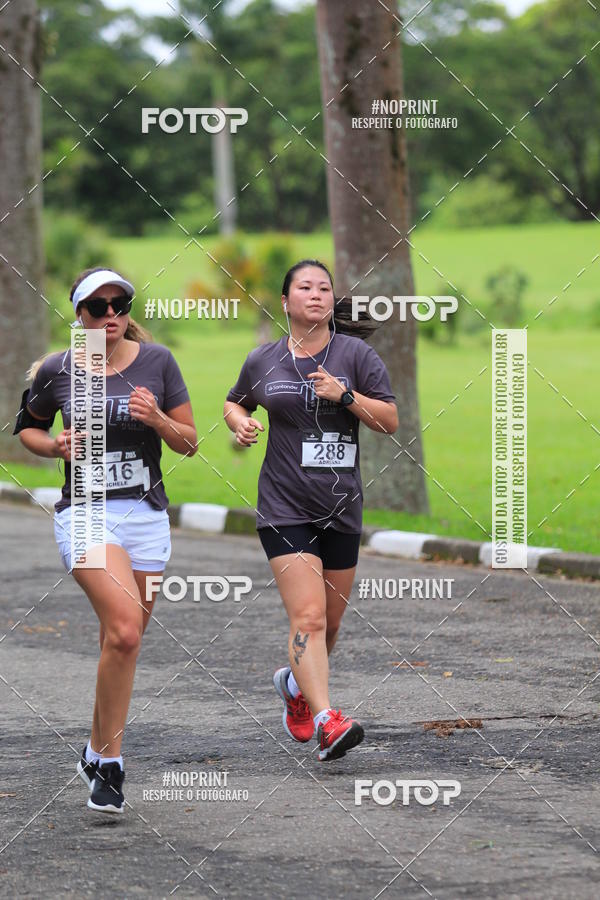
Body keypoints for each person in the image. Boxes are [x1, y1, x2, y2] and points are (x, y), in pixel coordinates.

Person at [15, 267, 197, 813]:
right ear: (80, 315)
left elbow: (188, 442)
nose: (111, 314)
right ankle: (112, 766)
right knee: (122, 631)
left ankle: (93, 751)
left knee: (122, 643)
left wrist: (158, 418)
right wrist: (55, 447)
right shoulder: (59, 368)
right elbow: (27, 427)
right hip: (85, 515)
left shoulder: (158, 362)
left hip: (146, 520)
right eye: (98, 307)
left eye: (120, 304)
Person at [224, 260, 398, 761]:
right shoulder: (264, 360)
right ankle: (327, 719)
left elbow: (388, 420)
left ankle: (296, 689)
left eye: (324, 288)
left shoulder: (357, 355)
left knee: (332, 623)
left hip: (341, 505)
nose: (317, 295)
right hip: (284, 505)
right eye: (304, 287)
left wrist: (344, 395)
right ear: (286, 301)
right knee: (309, 616)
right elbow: (235, 402)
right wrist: (239, 423)